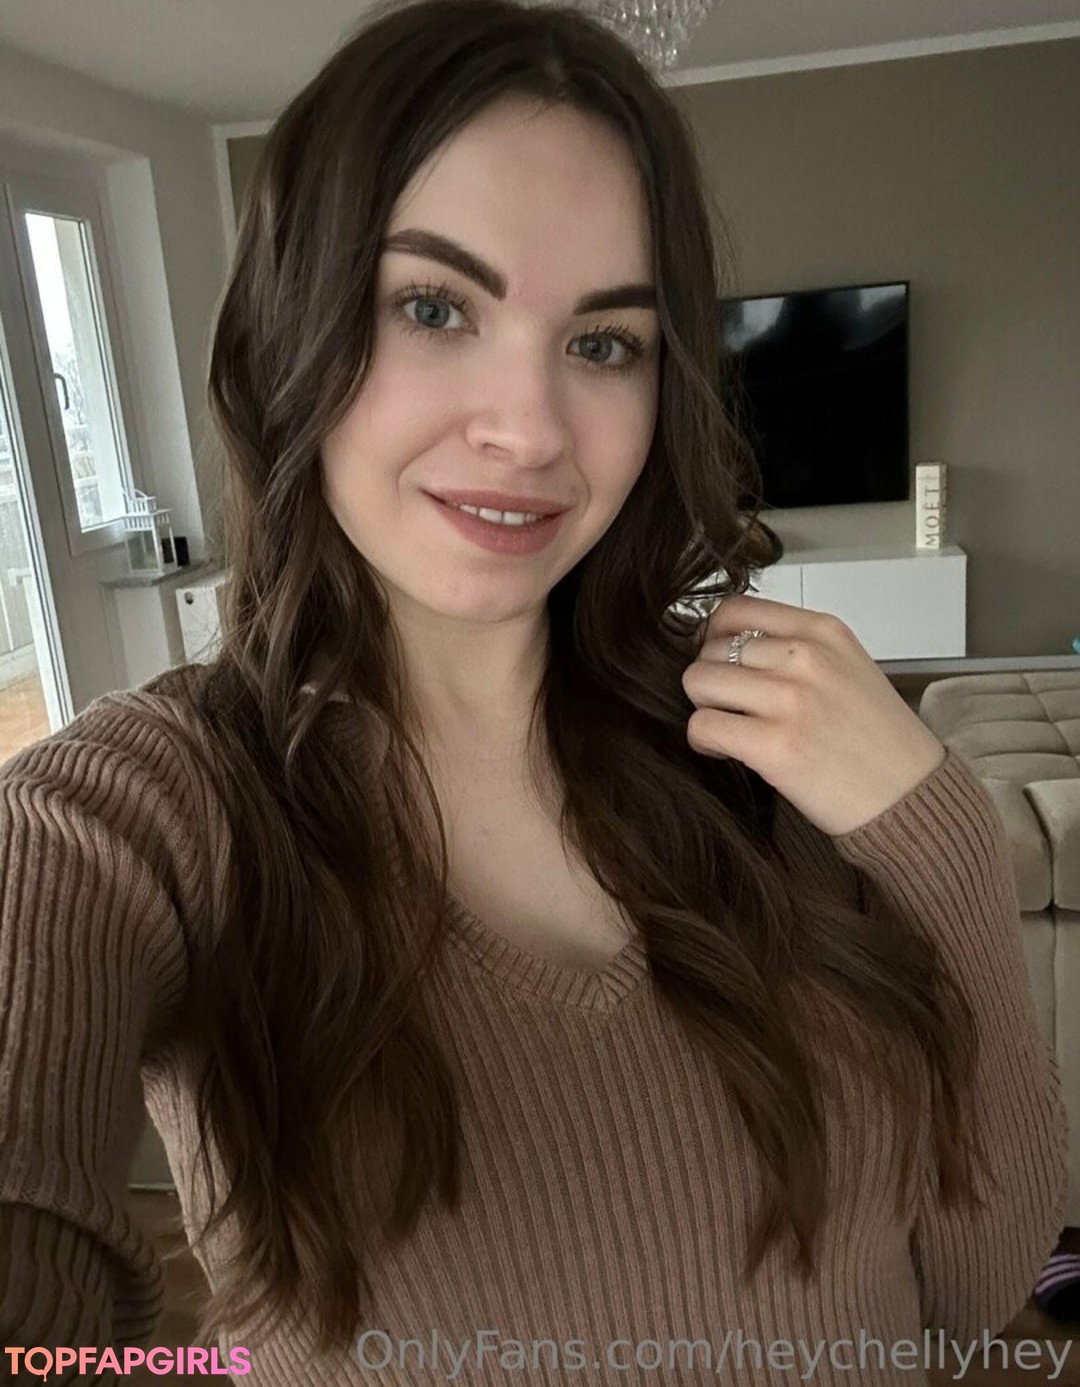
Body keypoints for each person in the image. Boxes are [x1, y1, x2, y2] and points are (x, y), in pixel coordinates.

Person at [0, 0, 1067, 1382]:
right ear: (288, 334)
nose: (529, 430)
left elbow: (975, 1291)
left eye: (604, 342)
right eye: (433, 307)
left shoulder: (768, 755)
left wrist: (946, 837)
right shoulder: (141, 816)